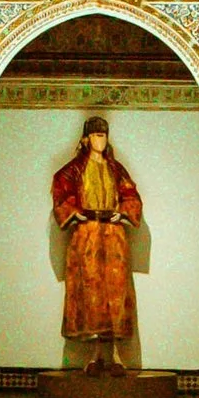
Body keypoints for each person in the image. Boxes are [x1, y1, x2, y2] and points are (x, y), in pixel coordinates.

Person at [50, 112, 144, 370]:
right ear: (86, 138)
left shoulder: (116, 169)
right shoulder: (74, 170)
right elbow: (61, 194)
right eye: (95, 135)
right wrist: (74, 212)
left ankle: (112, 356)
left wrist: (123, 213)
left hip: (113, 236)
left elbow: (131, 196)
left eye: (103, 136)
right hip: (87, 235)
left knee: (115, 293)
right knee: (89, 292)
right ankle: (94, 357)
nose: (100, 141)